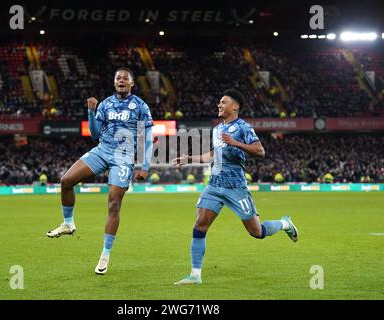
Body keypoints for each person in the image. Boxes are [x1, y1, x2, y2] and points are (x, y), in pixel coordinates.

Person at [172, 89, 298, 285]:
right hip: (214, 185)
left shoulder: (243, 127)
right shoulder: (216, 130)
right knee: (199, 225)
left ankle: (285, 224)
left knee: (257, 232)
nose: (219, 105)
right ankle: (195, 275)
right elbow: (213, 155)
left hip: (235, 187)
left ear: (235, 106)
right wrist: (189, 158)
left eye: (223, 102)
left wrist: (236, 143)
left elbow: (260, 151)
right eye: (219, 102)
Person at [46, 67, 154, 275]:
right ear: (114, 83)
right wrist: (91, 112)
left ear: (132, 84)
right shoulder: (105, 104)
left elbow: (148, 138)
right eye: (118, 78)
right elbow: (95, 134)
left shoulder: (140, 106)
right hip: (102, 150)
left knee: (113, 203)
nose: (121, 80)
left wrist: (144, 165)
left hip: (124, 156)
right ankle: (68, 223)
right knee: (66, 180)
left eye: (125, 78)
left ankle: (105, 254)